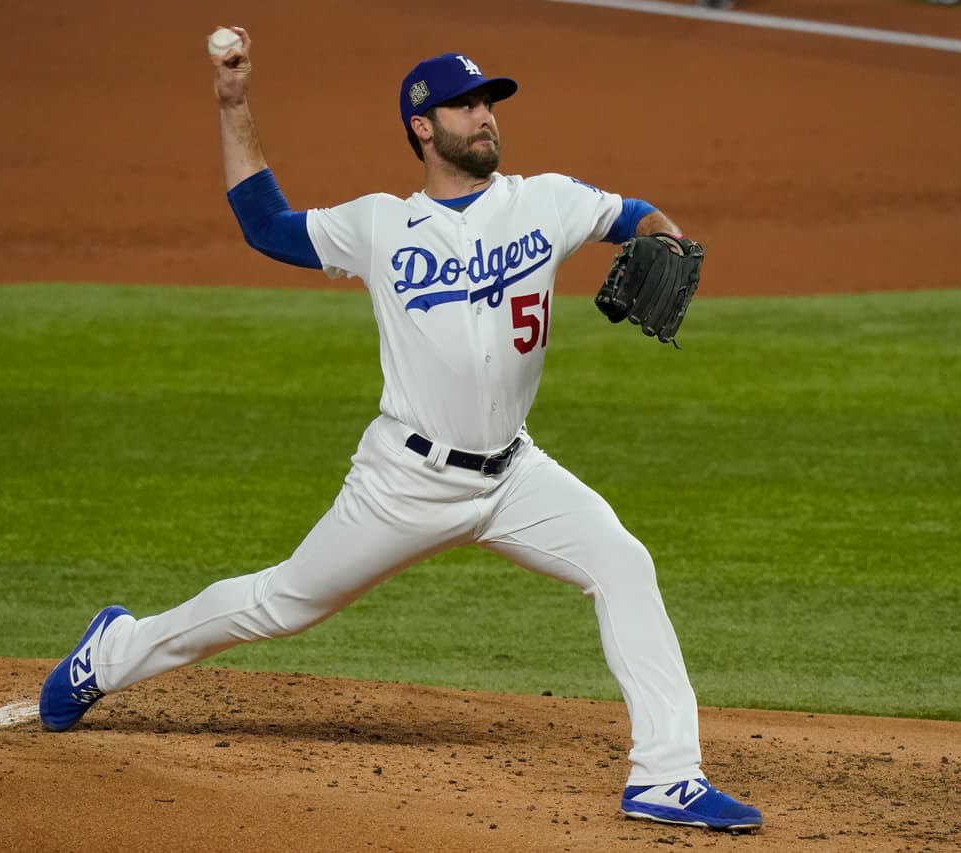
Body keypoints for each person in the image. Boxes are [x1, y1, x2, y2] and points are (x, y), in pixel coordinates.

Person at [38, 27, 763, 834]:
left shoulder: (546, 200)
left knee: (623, 563)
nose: (484, 115)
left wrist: (661, 233)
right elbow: (263, 224)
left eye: (489, 102)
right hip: (405, 480)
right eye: (465, 105)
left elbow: (633, 215)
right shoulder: (380, 226)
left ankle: (666, 776)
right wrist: (233, 102)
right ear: (423, 126)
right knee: (280, 603)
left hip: (515, 474)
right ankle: (111, 652)